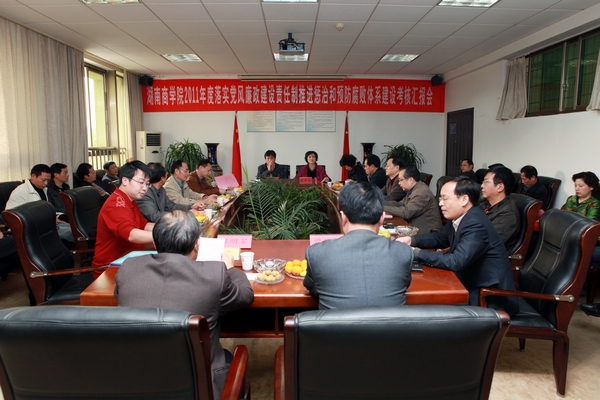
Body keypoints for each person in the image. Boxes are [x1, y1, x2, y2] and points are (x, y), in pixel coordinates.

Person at [115, 209, 254, 399]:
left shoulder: (128, 268)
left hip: (137, 382)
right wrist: (230, 268)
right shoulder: (214, 274)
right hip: (200, 385)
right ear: (197, 244)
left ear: (155, 242)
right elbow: (245, 296)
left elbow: (118, 295)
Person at [397, 177, 518, 316]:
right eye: (440, 198)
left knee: (426, 306)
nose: (440, 203)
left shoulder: (476, 223)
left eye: (445, 198)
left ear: (464, 200)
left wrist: (415, 253)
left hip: (489, 296)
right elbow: (439, 238)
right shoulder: (463, 216)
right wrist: (411, 240)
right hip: (470, 282)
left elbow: (456, 261)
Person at [303, 181, 413, 310]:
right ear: (382, 218)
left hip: (337, 324)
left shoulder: (317, 254)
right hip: (390, 324)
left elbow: (314, 289)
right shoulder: (404, 253)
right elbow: (403, 285)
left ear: (343, 217)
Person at [92, 161, 155, 279]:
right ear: (125, 180)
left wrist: (170, 228)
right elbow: (131, 234)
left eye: (147, 184)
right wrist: (163, 235)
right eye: (141, 182)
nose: (145, 188)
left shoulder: (130, 200)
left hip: (129, 262)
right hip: (110, 270)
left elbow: (144, 225)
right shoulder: (116, 204)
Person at [561, 171, 600, 317]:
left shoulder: (594, 204)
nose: (577, 188)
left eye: (581, 186)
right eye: (576, 185)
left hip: (585, 238)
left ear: (591, 187)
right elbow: (565, 217)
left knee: (579, 252)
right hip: (570, 234)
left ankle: (575, 286)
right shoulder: (572, 199)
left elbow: (587, 224)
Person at [6, 164, 73, 243]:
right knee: (75, 233)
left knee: (77, 228)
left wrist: (54, 217)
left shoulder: (44, 189)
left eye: (48, 180)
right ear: (33, 176)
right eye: (43, 180)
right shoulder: (20, 192)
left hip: (47, 225)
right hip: (33, 229)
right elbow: (12, 218)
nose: (46, 183)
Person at [384, 165, 442, 234]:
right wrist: (380, 203)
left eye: (401, 180)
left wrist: (381, 208)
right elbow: (400, 204)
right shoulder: (414, 189)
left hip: (427, 233)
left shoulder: (422, 193)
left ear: (411, 180)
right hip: (414, 228)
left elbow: (406, 212)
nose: (399, 183)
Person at [137, 163, 202, 222]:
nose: (168, 176)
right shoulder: (145, 193)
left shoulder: (161, 190)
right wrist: (179, 215)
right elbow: (154, 216)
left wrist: (190, 207)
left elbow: (171, 206)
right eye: (166, 174)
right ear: (162, 178)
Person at [480, 165, 520, 252]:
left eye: (486, 182)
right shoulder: (485, 204)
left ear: (500, 187)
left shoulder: (508, 214)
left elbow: (484, 242)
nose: (482, 186)